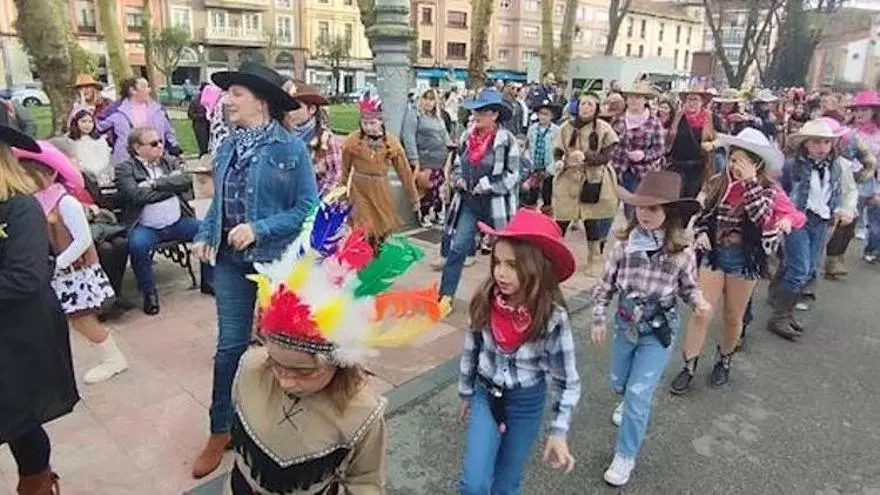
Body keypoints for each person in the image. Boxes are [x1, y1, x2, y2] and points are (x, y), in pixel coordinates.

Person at [231, 195, 441, 493]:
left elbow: (366, 481)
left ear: (339, 362)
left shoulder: (362, 412)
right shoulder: (250, 369)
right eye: (276, 363)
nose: (286, 379)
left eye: (304, 372)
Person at [190, 62, 318, 479]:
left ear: (260, 101)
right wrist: (208, 232)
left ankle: (278, 424)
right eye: (229, 95)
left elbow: (306, 209)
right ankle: (219, 429)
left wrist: (258, 228)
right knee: (230, 347)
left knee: (279, 345)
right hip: (229, 264)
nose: (228, 101)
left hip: (274, 262)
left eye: (236, 94)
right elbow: (220, 201)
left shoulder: (291, 148)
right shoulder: (227, 145)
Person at [591, 171, 710, 487]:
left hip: (658, 329)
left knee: (640, 392)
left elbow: (689, 287)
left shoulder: (682, 252)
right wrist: (599, 318)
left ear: (669, 213)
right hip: (626, 323)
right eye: (641, 208)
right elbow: (605, 286)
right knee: (620, 383)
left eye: (654, 209)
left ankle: (625, 454)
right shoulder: (622, 246)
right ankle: (626, 398)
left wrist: (699, 302)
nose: (644, 214)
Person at [458, 209, 580, 494]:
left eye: (512, 265)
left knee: (506, 484)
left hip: (526, 404)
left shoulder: (552, 316)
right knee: (473, 484)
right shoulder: (484, 300)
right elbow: (471, 347)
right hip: (485, 395)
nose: (501, 272)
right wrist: (466, 391)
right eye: (497, 262)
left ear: (536, 267)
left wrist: (558, 431)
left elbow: (567, 380)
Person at [669, 128, 782, 393]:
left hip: (745, 260)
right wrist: (699, 234)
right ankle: (689, 365)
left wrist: (750, 182)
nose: (734, 165)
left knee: (733, 316)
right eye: (732, 159)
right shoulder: (716, 182)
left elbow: (760, 217)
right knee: (702, 310)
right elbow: (700, 213)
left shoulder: (767, 189)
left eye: (742, 161)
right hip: (714, 256)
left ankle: (724, 358)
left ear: (757, 164)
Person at [0, 123, 79, 495]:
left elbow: (26, 277)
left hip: (18, 335)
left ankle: (37, 484)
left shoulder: (19, 208)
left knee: (20, 422)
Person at [13, 139, 130, 386]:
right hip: (56, 273)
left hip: (74, 274)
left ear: (50, 173)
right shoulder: (36, 203)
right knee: (62, 319)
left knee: (81, 319)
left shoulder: (65, 202)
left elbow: (83, 239)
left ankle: (113, 358)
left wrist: (58, 264)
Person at [438, 88, 521, 314]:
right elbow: (457, 164)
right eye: (475, 111)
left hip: (497, 206)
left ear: (494, 115)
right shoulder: (467, 136)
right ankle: (444, 298)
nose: (476, 115)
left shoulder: (507, 140)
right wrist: (458, 179)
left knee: (504, 255)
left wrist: (490, 184)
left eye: (482, 111)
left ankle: (507, 300)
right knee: (457, 249)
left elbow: (514, 175)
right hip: (470, 203)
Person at [772, 119, 857, 337]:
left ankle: (786, 311)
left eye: (827, 143)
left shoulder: (836, 166)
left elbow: (837, 191)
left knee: (809, 268)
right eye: (817, 142)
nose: (822, 147)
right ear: (805, 144)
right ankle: (779, 316)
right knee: (799, 268)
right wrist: (784, 216)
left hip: (822, 220)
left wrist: (840, 209)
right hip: (798, 219)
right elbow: (778, 191)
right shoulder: (792, 165)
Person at [114, 126, 205, 315]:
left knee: (206, 231)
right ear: (138, 148)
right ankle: (149, 294)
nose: (160, 146)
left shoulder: (169, 161)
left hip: (177, 223)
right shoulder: (125, 168)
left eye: (161, 141)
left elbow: (187, 180)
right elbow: (135, 195)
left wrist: (154, 184)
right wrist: (170, 187)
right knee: (138, 246)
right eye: (154, 143)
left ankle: (209, 281)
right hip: (146, 227)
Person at [550, 91, 620, 277]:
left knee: (591, 219)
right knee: (562, 218)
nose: (586, 108)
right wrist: (559, 160)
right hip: (568, 177)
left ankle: (594, 259)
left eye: (590, 104)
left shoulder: (604, 128)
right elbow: (558, 148)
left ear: (596, 108)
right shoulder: (566, 126)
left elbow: (607, 156)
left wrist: (588, 157)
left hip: (593, 178)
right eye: (583, 104)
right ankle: (552, 258)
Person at [342, 93, 419, 244]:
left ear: (381, 121)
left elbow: (404, 172)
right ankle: (362, 262)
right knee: (362, 231)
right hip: (359, 191)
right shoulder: (352, 141)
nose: (368, 127)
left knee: (380, 231)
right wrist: (342, 193)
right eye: (365, 123)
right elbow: (344, 170)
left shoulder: (391, 142)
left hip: (380, 191)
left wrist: (413, 197)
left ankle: (377, 257)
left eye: (372, 123)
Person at [609, 82, 666, 217]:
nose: (633, 100)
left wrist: (644, 155)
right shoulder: (618, 119)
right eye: (630, 97)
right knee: (609, 206)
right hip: (616, 170)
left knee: (634, 210)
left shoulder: (654, 122)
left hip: (640, 173)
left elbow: (660, 149)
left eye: (638, 98)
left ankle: (632, 234)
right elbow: (608, 143)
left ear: (645, 100)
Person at [401, 88, 453, 227]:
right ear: (420, 99)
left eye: (432, 99)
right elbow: (408, 137)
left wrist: (451, 148)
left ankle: (437, 212)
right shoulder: (414, 114)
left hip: (440, 159)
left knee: (438, 188)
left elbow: (445, 136)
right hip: (424, 158)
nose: (429, 102)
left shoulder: (438, 118)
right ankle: (424, 213)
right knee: (427, 187)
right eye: (426, 98)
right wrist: (414, 158)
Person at [99, 77, 181, 164]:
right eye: (144, 86)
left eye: (148, 87)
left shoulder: (158, 110)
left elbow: (169, 132)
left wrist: (175, 146)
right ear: (132, 90)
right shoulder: (115, 109)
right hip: (126, 162)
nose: (149, 90)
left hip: (155, 160)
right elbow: (96, 127)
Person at [285, 81, 343, 194]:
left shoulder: (325, 140)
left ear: (311, 109)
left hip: (313, 202)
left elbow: (335, 176)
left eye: (295, 107)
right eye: (288, 107)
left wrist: (316, 203)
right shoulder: (283, 136)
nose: (289, 112)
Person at [666, 85, 717, 198]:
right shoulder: (678, 116)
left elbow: (718, 139)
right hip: (677, 165)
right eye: (689, 99)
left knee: (690, 197)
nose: (692, 103)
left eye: (696, 99)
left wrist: (711, 145)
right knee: (676, 197)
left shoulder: (709, 118)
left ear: (702, 102)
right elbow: (668, 137)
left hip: (697, 167)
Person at [522, 99, 561, 215]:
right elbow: (527, 146)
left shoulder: (556, 131)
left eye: (546, 114)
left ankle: (546, 217)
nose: (543, 117)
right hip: (534, 167)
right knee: (532, 193)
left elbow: (558, 150)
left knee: (547, 194)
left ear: (552, 116)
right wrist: (529, 163)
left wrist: (551, 168)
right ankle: (530, 216)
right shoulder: (532, 129)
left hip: (548, 168)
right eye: (541, 114)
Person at [67, 104, 114, 187]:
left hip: (100, 177)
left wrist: (94, 170)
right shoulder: (70, 141)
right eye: (83, 121)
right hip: (80, 177)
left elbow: (104, 159)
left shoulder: (99, 140)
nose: (87, 125)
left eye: (90, 122)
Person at [188, 82, 211, 157]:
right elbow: (190, 114)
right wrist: (201, 116)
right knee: (203, 145)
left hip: (209, 125)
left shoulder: (211, 100)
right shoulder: (195, 101)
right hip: (200, 125)